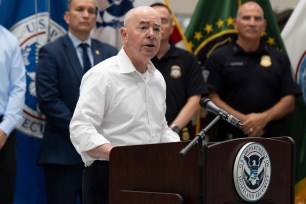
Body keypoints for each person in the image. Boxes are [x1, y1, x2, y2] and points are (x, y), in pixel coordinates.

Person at [70, 6, 180, 204]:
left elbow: (159, 127)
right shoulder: (102, 75)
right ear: (124, 34)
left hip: (151, 174)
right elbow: (80, 128)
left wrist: (180, 149)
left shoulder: (157, 79)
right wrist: (121, 156)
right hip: (109, 174)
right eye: (143, 27)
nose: (151, 35)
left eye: (156, 29)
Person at [35, 0, 117, 203]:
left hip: (101, 156)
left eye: (91, 11)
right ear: (67, 16)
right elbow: (48, 100)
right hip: (62, 153)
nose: (86, 15)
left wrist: (95, 137)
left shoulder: (109, 54)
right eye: (79, 9)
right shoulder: (50, 52)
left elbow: (116, 98)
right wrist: (82, 132)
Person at [205, 1, 301, 141]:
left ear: (264, 25)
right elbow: (211, 98)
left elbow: (289, 101)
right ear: (236, 23)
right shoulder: (218, 57)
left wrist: (262, 119)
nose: (252, 23)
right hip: (227, 139)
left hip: (271, 139)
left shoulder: (279, 58)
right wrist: (242, 120)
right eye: (246, 18)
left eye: (257, 18)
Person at [150, 3, 207, 141]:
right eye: (153, 21)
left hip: (178, 135)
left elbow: (195, 99)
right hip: (141, 137)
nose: (158, 25)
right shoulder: (137, 59)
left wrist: (172, 130)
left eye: (163, 21)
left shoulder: (188, 59)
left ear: (172, 28)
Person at [0, 25, 26, 204]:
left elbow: (18, 87)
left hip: (3, 132)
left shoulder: (9, 41)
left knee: (3, 194)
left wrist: (3, 131)